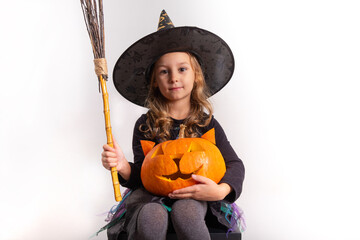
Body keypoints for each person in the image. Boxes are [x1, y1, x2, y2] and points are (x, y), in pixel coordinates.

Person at [101, 10, 245, 240]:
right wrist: (123, 168)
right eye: (164, 72)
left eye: (182, 69)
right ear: (155, 82)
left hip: (195, 196)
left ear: (196, 75)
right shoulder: (145, 125)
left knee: (186, 211)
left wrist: (220, 190)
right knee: (150, 216)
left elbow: (234, 164)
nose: (173, 78)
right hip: (152, 197)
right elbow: (145, 174)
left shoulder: (206, 123)